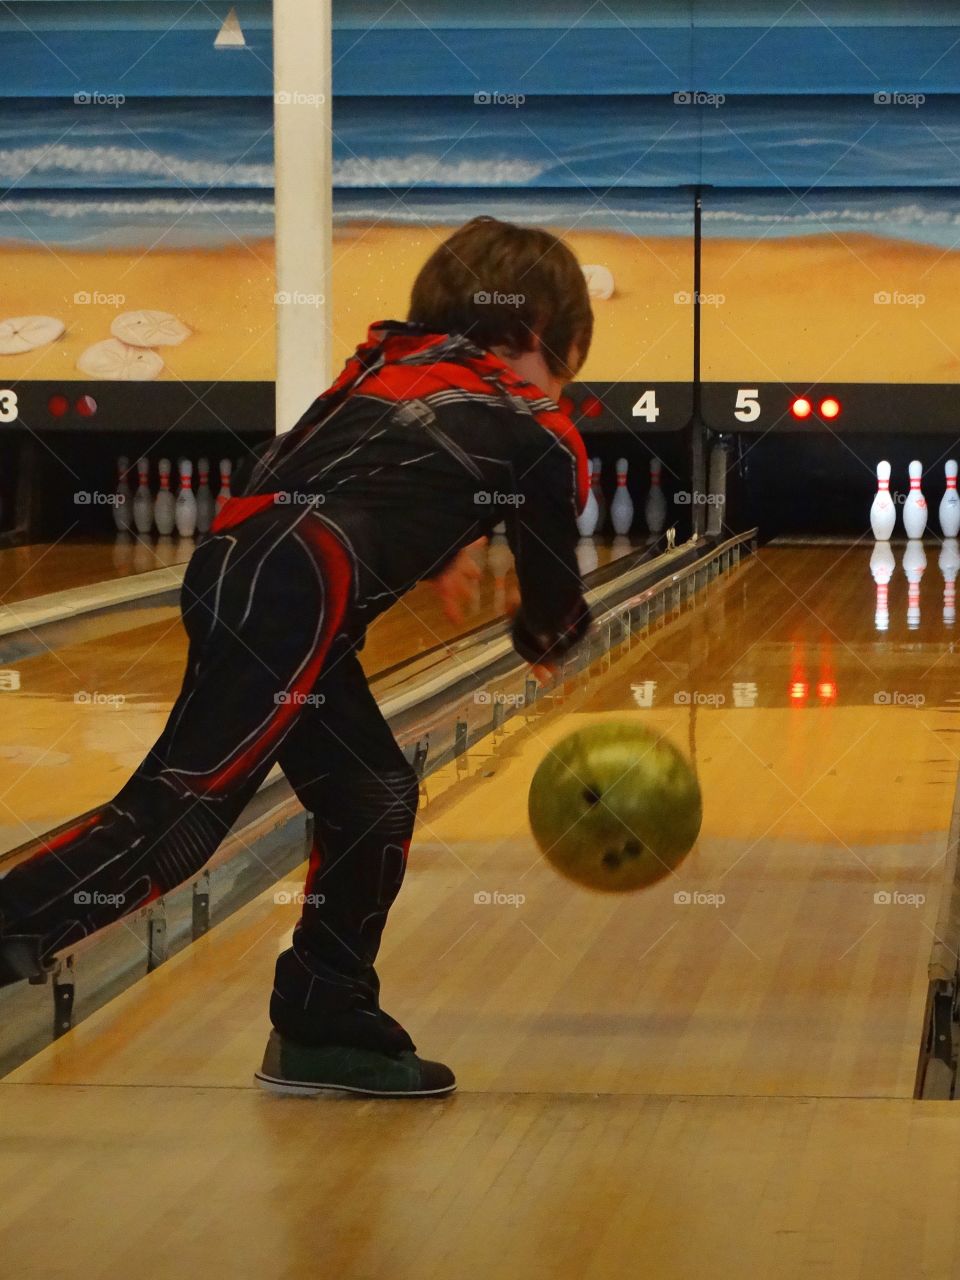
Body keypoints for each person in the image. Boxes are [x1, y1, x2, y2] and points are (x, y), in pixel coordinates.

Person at [0, 216, 594, 1097]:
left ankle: (324, 1014)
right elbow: (551, 612)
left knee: (371, 793)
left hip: (235, 568)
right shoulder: (536, 428)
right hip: (301, 592)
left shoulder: (379, 369)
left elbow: (347, 476)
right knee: (179, 822)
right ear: (547, 338)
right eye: (570, 362)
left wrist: (435, 546)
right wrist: (554, 646)